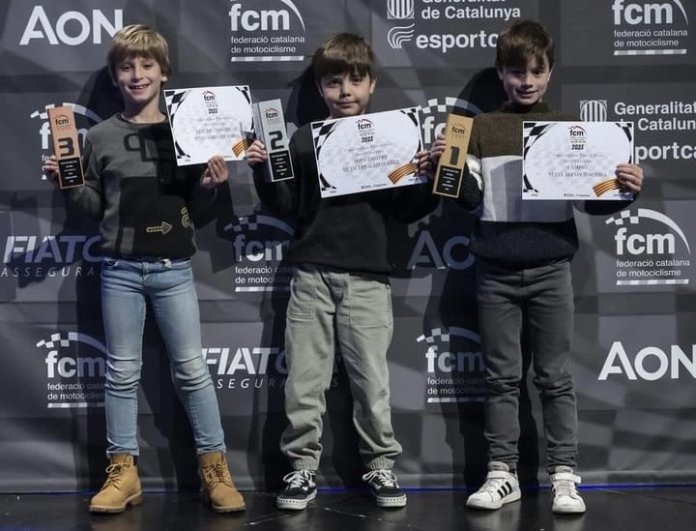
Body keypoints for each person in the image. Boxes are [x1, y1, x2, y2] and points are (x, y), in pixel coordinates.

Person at [429, 20, 643, 515]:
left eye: (535, 71)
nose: (526, 81)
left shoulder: (570, 128)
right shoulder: (479, 129)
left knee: (554, 378)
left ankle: (564, 477)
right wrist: (450, 167)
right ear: (501, 74)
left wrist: (624, 190)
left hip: (551, 271)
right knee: (500, 379)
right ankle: (502, 473)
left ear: (550, 73)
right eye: (515, 71)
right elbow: (468, 200)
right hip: (494, 274)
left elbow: (591, 201)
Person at [42, 24, 245, 514]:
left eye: (146, 65)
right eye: (127, 67)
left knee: (192, 370)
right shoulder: (99, 137)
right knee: (120, 373)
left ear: (164, 72)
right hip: (119, 270)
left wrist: (211, 185)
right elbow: (95, 208)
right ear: (115, 76)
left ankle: (215, 468)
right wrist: (69, 183)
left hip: (174, 268)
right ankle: (123, 472)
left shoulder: (187, 131)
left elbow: (195, 209)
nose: (137, 74)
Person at [246, 33, 438, 511]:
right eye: (333, 82)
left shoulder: (393, 139)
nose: (345, 91)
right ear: (320, 87)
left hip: (368, 279)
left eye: (355, 80)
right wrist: (264, 170)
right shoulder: (302, 140)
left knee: (371, 382)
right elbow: (287, 206)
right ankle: (301, 468)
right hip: (311, 274)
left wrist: (431, 177)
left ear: (371, 84)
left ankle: (381, 464)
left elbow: (407, 209)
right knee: (303, 381)